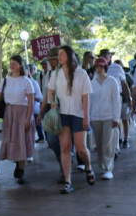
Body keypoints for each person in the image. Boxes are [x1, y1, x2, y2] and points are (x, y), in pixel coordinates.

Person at [48, 45, 93, 193]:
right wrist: (52, 101)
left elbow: (86, 96)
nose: (59, 57)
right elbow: (51, 92)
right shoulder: (56, 74)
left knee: (81, 148)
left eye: (62, 54)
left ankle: (88, 167)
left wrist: (86, 116)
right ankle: (68, 181)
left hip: (78, 114)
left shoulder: (81, 74)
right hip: (62, 114)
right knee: (65, 146)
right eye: (58, 55)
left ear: (69, 56)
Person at [0, 55, 35, 185]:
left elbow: (31, 101)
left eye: (15, 63)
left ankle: (21, 169)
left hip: (22, 112)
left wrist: (28, 118)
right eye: (11, 63)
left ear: (20, 65)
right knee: (12, 139)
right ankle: (17, 162)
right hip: (9, 112)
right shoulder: (5, 81)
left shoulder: (26, 81)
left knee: (21, 139)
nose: (12, 65)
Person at [89, 58, 121, 180]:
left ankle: (108, 168)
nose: (99, 69)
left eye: (101, 66)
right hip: (95, 117)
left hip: (109, 117)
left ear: (105, 67)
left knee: (108, 143)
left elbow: (116, 101)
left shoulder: (112, 81)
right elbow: (90, 101)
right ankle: (102, 166)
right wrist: (88, 117)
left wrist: (116, 118)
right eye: (97, 67)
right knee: (99, 143)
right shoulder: (92, 82)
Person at [100, 50, 132, 147]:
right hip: (105, 99)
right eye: (102, 56)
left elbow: (124, 83)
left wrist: (129, 97)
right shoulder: (99, 68)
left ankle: (126, 139)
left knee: (123, 118)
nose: (105, 58)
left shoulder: (117, 68)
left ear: (110, 57)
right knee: (112, 120)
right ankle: (117, 139)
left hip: (118, 97)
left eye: (106, 56)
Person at [28, 63, 46, 144]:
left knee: (38, 123)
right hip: (24, 112)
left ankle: (41, 136)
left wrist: (32, 97)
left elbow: (40, 97)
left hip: (34, 109)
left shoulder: (34, 82)